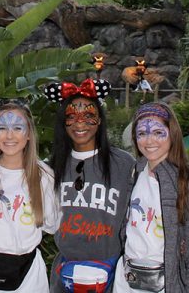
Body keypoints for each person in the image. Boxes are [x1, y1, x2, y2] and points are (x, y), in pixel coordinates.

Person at [44, 78, 137, 293]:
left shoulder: (124, 164)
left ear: (100, 120)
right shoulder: (52, 167)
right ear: (63, 122)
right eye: (71, 116)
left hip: (110, 272)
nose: (79, 123)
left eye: (88, 115)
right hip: (65, 273)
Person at [0, 98, 60, 293]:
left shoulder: (44, 176)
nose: (9, 135)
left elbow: (54, 224)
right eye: (2, 128)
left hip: (29, 275)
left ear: (29, 133)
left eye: (18, 127)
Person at [113, 102, 189, 293]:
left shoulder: (187, 182)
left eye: (157, 132)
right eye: (142, 133)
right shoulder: (135, 172)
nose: (149, 141)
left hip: (164, 284)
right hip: (126, 280)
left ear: (172, 133)